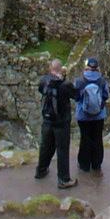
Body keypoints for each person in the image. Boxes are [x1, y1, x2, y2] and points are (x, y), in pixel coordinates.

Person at [35, 60, 77, 188]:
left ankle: (41, 170)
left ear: (50, 68)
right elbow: (76, 95)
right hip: (61, 121)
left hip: (47, 119)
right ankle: (63, 179)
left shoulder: (44, 81)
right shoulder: (65, 85)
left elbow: (41, 90)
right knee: (62, 149)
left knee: (45, 146)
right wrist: (64, 78)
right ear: (61, 69)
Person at [75, 57, 109, 177]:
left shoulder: (80, 81)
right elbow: (106, 95)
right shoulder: (102, 81)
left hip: (83, 116)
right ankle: (96, 163)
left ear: (86, 67)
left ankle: (84, 164)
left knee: (85, 138)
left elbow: (76, 97)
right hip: (99, 116)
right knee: (97, 138)